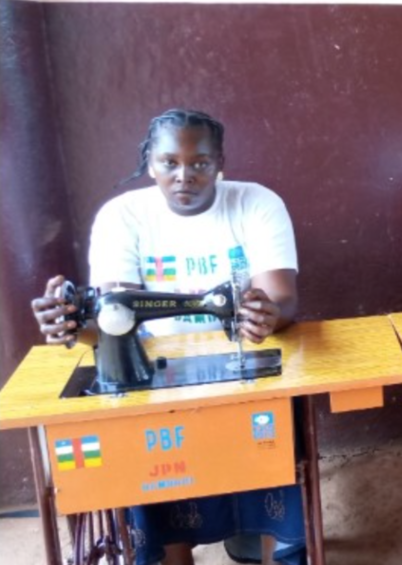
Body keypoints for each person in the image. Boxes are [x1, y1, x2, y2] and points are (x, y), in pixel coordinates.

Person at [30, 109, 304, 564]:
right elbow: (113, 316)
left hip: (244, 370)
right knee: (152, 468)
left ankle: (260, 534)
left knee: (273, 437)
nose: (184, 175)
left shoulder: (256, 203)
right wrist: (70, 323)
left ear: (220, 163)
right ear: (150, 163)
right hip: (154, 375)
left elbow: (283, 299)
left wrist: (267, 315)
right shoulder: (123, 216)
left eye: (200, 163)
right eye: (169, 163)